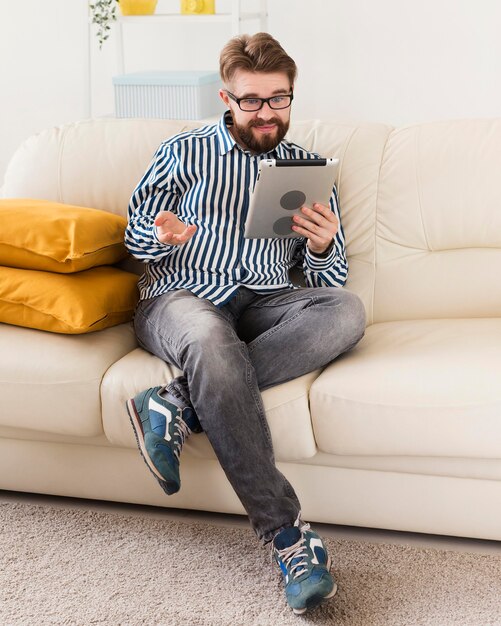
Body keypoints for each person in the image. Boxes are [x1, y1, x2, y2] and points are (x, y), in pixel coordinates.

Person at [124, 32, 366, 615]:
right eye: (252, 101)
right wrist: (161, 233)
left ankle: (176, 403)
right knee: (209, 339)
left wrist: (325, 244)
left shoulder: (307, 168)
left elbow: (326, 284)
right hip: (182, 296)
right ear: (226, 99)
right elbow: (133, 240)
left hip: (265, 301)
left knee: (347, 312)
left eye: (278, 99)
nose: (266, 113)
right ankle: (287, 538)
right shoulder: (182, 152)